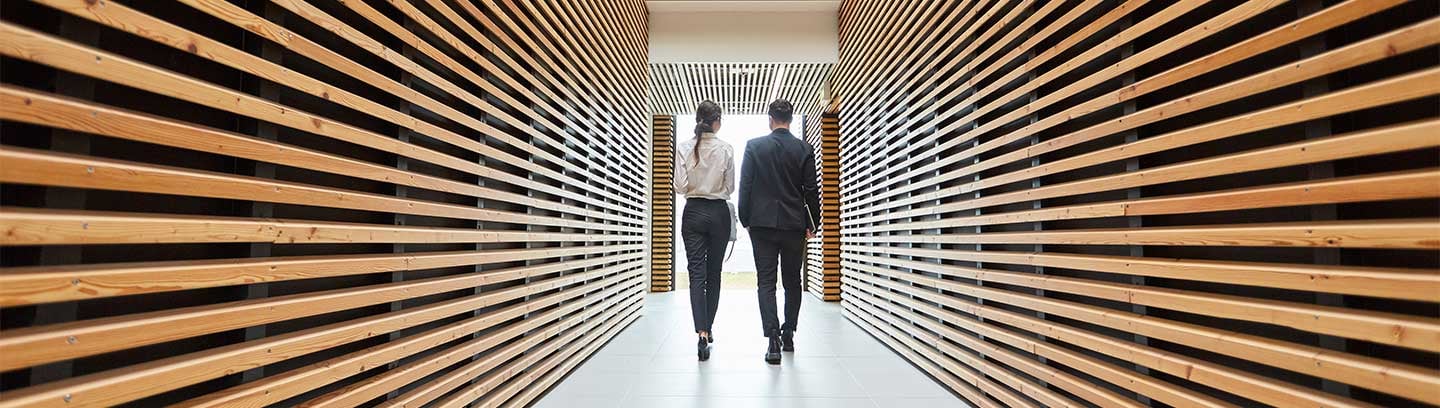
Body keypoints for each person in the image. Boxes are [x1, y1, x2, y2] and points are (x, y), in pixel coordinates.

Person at [738, 99, 820, 364]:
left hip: (761, 225)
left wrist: (745, 219)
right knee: (792, 281)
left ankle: (772, 337)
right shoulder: (804, 149)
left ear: (770, 119)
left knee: (766, 282)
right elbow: (811, 191)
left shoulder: (754, 146)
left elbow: (746, 185)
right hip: (794, 224)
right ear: (791, 119)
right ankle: (788, 333)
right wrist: (813, 223)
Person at [674, 100, 734, 361]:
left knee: (696, 274)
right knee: (714, 274)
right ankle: (709, 328)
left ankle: (700, 333)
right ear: (717, 121)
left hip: (693, 213)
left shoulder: (684, 147)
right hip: (718, 213)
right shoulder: (726, 148)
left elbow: (679, 186)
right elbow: (730, 187)